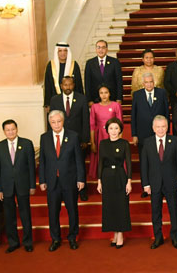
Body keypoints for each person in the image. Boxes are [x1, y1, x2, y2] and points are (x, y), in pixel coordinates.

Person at [39, 110, 85, 251]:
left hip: (69, 180)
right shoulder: (44, 137)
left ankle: (72, 238)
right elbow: (42, 161)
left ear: (63, 121)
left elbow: (79, 159)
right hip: (52, 181)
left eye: (59, 121)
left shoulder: (73, 136)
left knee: (72, 211)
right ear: (49, 123)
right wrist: (42, 180)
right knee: (53, 212)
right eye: (53, 122)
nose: (56, 124)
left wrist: (81, 178)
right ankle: (55, 239)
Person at [141, 116, 177, 249]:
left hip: (172, 182)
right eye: (158, 127)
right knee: (156, 212)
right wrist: (146, 184)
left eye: (163, 126)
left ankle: (175, 238)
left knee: (174, 212)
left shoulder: (174, 141)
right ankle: (158, 238)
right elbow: (144, 165)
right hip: (154, 183)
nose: (161, 129)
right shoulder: (147, 142)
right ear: (153, 128)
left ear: (167, 127)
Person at [0, 119, 36, 253]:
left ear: (17, 129)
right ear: (4, 131)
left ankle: (28, 242)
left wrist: (32, 185)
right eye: (8, 130)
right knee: (9, 216)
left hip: (23, 185)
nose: (10, 132)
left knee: (25, 215)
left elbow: (31, 166)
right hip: (6, 187)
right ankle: (13, 242)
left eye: (13, 129)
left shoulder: (27, 144)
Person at [49, 76, 90, 201]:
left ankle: (82, 190)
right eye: (65, 85)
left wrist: (85, 139)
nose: (68, 87)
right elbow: (51, 119)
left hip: (78, 139)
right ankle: (63, 189)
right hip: (60, 137)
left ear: (74, 85)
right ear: (61, 85)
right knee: (63, 163)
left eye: (70, 84)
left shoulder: (82, 98)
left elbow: (85, 120)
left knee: (79, 164)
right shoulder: (54, 100)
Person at [97, 117, 132, 248]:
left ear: (120, 130)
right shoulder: (103, 143)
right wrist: (99, 181)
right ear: (107, 130)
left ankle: (121, 234)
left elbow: (128, 163)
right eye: (111, 128)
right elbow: (100, 163)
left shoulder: (124, 143)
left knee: (121, 205)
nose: (113, 131)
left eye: (116, 128)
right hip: (106, 177)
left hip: (120, 176)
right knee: (110, 206)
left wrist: (129, 181)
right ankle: (115, 233)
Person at [131, 72, 169, 159]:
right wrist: (134, 134)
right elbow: (133, 116)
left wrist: (167, 131)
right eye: (146, 82)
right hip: (142, 134)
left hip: (159, 132)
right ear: (143, 83)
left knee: (159, 158)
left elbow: (166, 112)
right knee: (144, 159)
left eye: (151, 82)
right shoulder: (137, 95)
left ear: (154, 82)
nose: (149, 84)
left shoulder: (162, 93)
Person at [89, 85, 123, 180]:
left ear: (110, 93)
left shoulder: (116, 105)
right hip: (99, 135)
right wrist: (92, 142)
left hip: (113, 134)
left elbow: (120, 123)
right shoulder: (94, 107)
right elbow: (92, 125)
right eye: (101, 93)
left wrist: (119, 140)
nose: (104, 95)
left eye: (106, 92)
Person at [44, 42, 83, 110]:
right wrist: (47, 103)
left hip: (72, 101)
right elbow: (47, 85)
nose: (63, 53)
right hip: (55, 101)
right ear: (57, 52)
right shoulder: (50, 65)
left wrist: (81, 102)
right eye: (60, 51)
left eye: (65, 50)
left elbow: (79, 85)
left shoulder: (74, 65)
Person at [84, 40, 123, 104]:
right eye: (98, 47)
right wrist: (89, 100)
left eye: (103, 47)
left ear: (107, 49)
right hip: (95, 99)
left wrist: (119, 98)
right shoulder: (90, 63)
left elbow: (119, 81)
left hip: (112, 98)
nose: (101, 50)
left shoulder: (115, 62)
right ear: (95, 49)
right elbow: (87, 83)